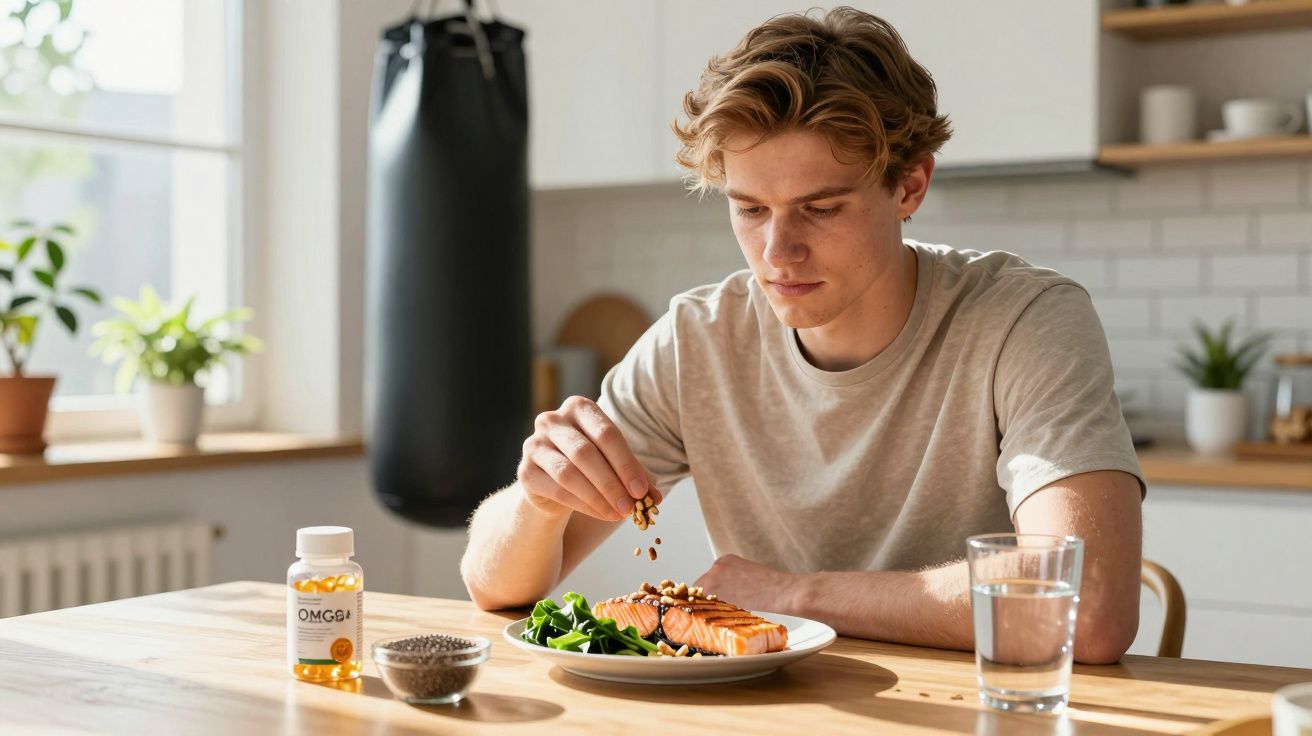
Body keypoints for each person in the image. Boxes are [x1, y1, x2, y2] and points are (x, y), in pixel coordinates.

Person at [461, 6, 1143, 664]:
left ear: (909, 187)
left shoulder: (1023, 320)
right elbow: (493, 585)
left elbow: (1089, 605)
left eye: (820, 209)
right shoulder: (698, 339)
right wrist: (538, 503)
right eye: (751, 209)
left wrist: (793, 595)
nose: (777, 252)